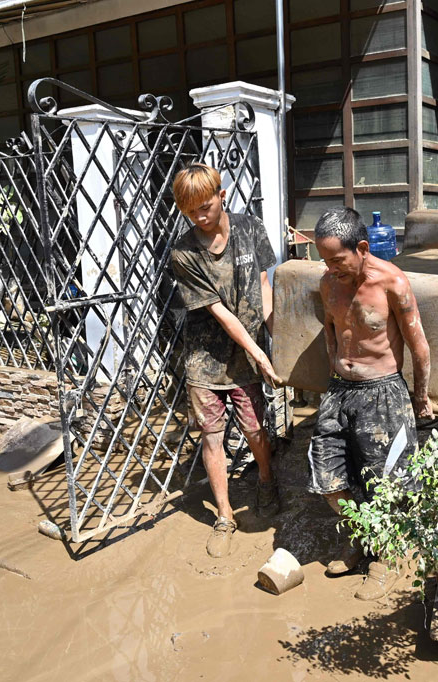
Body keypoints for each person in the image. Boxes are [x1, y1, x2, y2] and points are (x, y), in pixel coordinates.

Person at [309, 206, 433, 601]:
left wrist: (421, 398)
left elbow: (419, 346)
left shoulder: (392, 283)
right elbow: (331, 332)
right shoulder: (328, 283)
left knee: (390, 485)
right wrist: (334, 372)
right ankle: (360, 538)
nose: (329, 268)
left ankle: (388, 556)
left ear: (362, 247)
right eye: (324, 260)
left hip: (384, 393)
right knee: (328, 480)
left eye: (336, 260)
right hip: (339, 391)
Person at [169, 163, 280, 559]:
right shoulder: (183, 253)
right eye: (191, 210)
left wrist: (275, 341)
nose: (200, 215)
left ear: (221, 196)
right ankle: (225, 515)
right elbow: (219, 312)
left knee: (255, 429)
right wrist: (258, 351)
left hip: (248, 352)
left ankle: (267, 480)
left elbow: (265, 285)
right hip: (205, 357)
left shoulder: (250, 228)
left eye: (205, 205)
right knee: (212, 438)